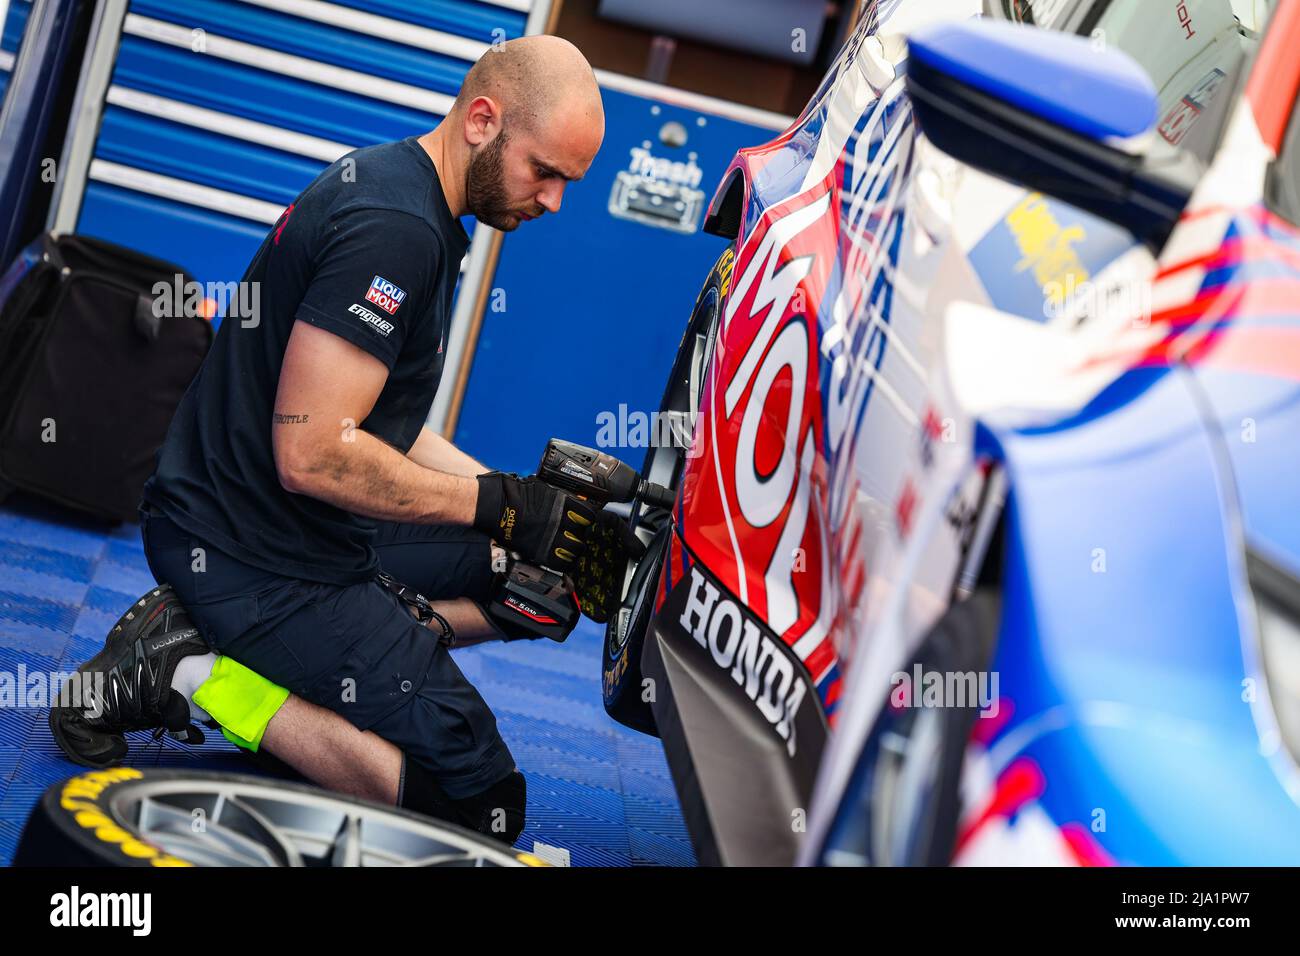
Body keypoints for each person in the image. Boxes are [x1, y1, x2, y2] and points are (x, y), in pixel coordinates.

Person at [50, 36, 609, 845]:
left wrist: (526, 513)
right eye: (544, 172)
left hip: (286, 527)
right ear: (483, 120)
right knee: (477, 806)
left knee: (526, 574)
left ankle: (362, 652)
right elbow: (314, 453)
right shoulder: (395, 231)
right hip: (257, 557)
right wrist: (497, 504)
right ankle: (191, 671)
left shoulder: (413, 199)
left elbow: (384, 428)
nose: (553, 201)